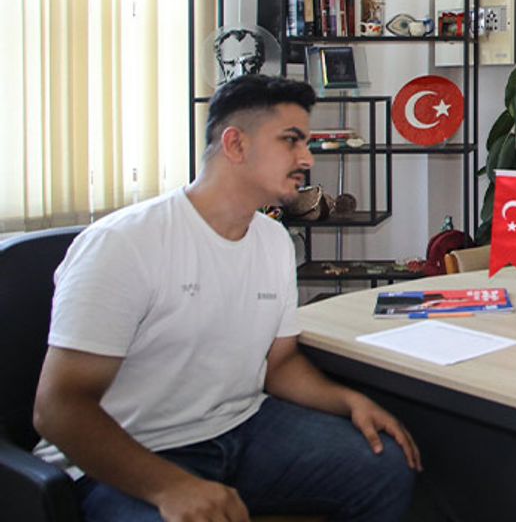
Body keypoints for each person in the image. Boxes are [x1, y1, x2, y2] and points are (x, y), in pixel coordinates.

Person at [33, 74, 421, 521]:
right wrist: (171, 487)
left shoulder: (274, 241)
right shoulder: (125, 243)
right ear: (235, 144)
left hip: (241, 425)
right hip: (132, 450)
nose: (307, 159)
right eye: (291, 141)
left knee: (385, 465)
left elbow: (279, 364)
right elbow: (59, 408)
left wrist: (348, 401)